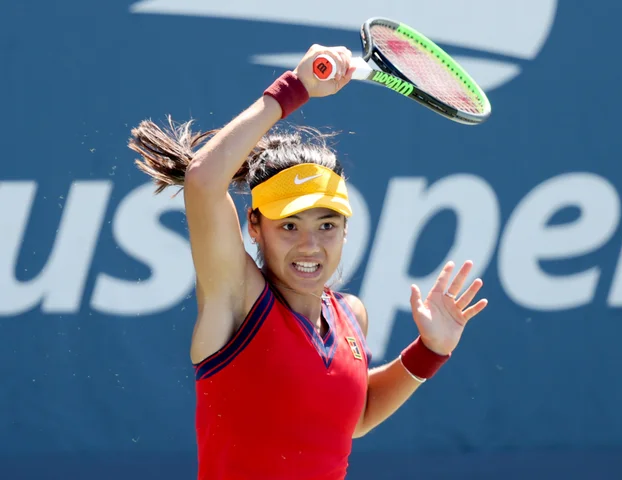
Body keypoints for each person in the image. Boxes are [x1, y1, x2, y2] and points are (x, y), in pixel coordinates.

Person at [128, 44, 488, 480]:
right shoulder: (237, 298)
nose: (310, 245)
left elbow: (351, 420)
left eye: (326, 225)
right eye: (289, 226)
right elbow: (203, 180)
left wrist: (429, 352)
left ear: (346, 230)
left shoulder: (351, 315)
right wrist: (294, 88)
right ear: (254, 226)